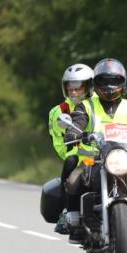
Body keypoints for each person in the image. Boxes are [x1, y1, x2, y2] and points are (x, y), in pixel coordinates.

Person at [64, 58, 127, 242]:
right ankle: (72, 220)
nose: (109, 86)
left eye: (114, 81)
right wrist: (73, 131)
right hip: (94, 159)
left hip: (125, 159)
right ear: (95, 84)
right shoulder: (85, 106)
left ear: (123, 83)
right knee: (72, 181)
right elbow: (78, 121)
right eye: (103, 81)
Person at [49, 63, 93, 234]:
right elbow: (60, 144)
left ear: (88, 87)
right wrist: (80, 150)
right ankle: (65, 211)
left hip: (106, 152)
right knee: (70, 161)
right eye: (70, 88)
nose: (73, 92)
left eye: (78, 88)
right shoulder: (58, 112)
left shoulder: (99, 104)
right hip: (78, 154)